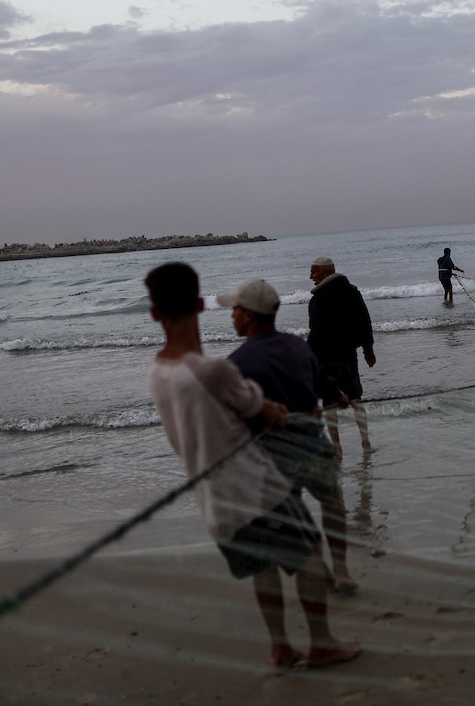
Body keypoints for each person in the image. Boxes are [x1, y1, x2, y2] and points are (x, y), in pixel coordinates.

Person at [144, 262, 359, 672]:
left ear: (155, 313)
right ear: (199, 305)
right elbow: (261, 412)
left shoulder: (158, 372)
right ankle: (322, 644)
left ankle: (280, 649)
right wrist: (281, 411)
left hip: (214, 501)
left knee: (263, 563)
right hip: (257, 487)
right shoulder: (218, 370)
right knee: (311, 556)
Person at [220, 277, 358, 593]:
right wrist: (341, 397)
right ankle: (342, 571)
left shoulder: (236, 363)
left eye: (236, 310)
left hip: (274, 456)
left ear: (250, 315)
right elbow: (324, 385)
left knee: (291, 513)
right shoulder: (297, 345)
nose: (232, 316)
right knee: (333, 502)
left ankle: (314, 564)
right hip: (312, 444)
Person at [308, 257, 376, 457]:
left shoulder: (318, 299)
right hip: (348, 355)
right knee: (356, 400)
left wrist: (306, 355)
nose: (311, 276)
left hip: (324, 358)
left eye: (314, 272)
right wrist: (368, 350)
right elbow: (365, 321)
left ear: (326, 272)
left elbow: (315, 332)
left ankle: (337, 450)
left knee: (329, 403)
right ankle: (366, 445)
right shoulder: (351, 292)